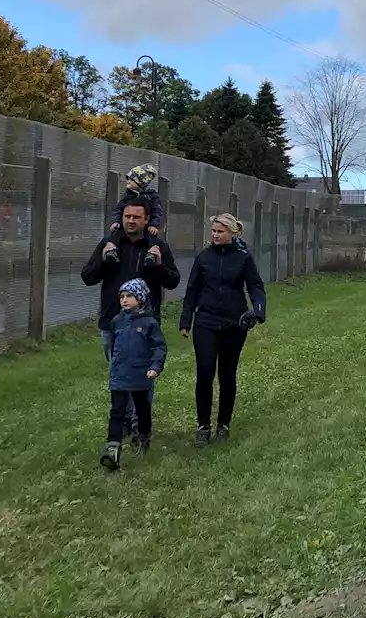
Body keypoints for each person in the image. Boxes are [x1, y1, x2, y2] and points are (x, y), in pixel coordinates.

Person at [82, 194, 181, 442]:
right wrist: (104, 261)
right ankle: (124, 420)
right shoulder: (109, 243)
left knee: (142, 373)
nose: (131, 221)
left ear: (147, 220)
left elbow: (173, 281)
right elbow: (88, 277)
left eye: (137, 217)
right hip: (112, 322)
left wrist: (158, 265)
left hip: (145, 324)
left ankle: (140, 424)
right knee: (119, 372)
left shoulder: (158, 246)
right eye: (127, 216)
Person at [181, 213, 267, 446]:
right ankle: (203, 427)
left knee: (227, 375)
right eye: (213, 231)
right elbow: (192, 290)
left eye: (220, 231)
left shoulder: (243, 258)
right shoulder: (203, 258)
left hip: (234, 324)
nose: (215, 235)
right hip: (206, 322)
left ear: (232, 233)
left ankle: (223, 425)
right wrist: (185, 320)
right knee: (205, 372)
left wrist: (258, 311)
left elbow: (255, 286)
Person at [100, 279, 167, 471]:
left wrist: (155, 367)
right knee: (117, 411)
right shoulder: (117, 322)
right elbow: (114, 346)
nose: (124, 300)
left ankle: (143, 435)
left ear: (141, 298)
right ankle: (113, 448)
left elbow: (159, 347)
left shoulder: (149, 323)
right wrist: (115, 366)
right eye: (122, 297)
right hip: (119, 376)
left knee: (142, 409)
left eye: (129, 296)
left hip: (141, 376)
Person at [105, 164, 165, 257]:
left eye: (131, 179)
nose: (127, 181)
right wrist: (116, 221)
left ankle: (152, 254)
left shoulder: (152, 196)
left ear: (140, 182)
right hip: (126, 228)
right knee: (116, 232)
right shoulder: (127, 196)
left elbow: (157, 212)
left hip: (146, 226)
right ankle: (111, 249)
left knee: (151, 235)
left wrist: (154, 224)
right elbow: (118, 209)